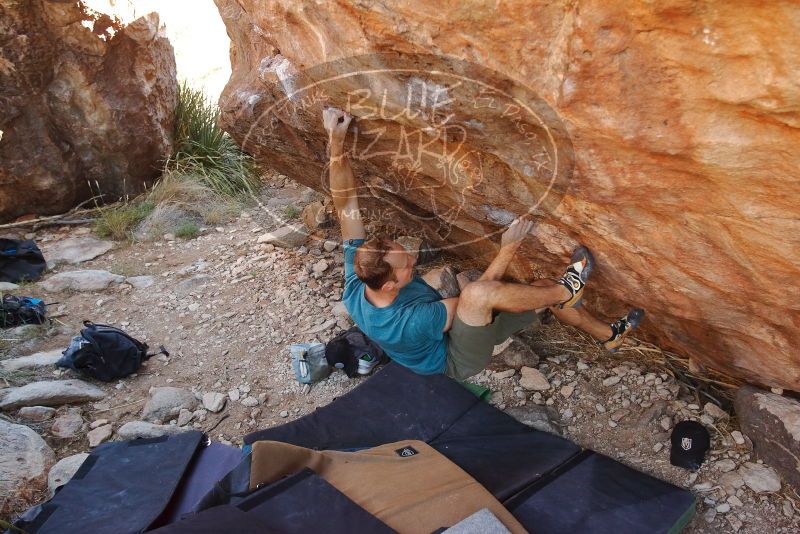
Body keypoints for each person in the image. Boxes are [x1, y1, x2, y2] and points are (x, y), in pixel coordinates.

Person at [323, 107, 644, 380]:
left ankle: (610, 337)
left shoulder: (357, 280)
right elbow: (477, 301)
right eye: (406, 267)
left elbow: (345, 203)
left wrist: (336, 141)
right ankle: (568, 289)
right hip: (454, 357)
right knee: (478, 292)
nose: (413, 262)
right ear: (390, 286)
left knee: (538, 292)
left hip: (438, 327)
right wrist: (509, 247)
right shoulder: (408, 323)